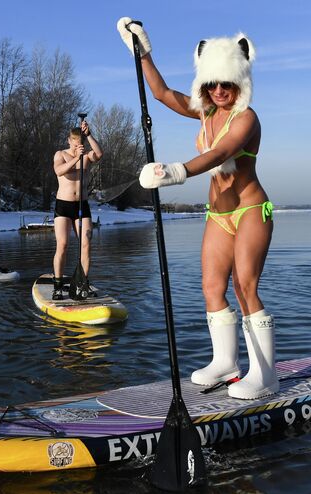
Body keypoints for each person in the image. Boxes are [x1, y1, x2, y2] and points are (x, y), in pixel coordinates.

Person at [117, 17, 278, 400]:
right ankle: (226, 363)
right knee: (211, 288)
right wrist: (143, 52)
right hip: (218, 215)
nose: (219, 90)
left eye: (227, 83)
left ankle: (265, 374)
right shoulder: (204, 112)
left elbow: (221, 153)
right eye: (212, 83)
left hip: (251, 210)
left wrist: (178, 171)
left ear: (240, 82)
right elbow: (160, 94)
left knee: (244, 287)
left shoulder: (247, 118)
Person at [51, 121, 104, 300]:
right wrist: (76, 158)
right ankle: (58, 286)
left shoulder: (87, 156)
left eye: (80, 141)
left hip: (82, 206)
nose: (77, 145)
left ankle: (83, 284)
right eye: (74, 142)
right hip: (63, 206)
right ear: (69, 141)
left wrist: (89, 135)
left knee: (86, 246)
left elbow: (99, 154)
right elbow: (59, 171)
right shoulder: (61, 154)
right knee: (63, 245)